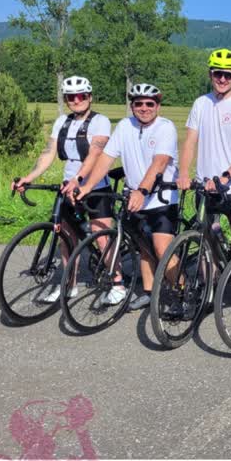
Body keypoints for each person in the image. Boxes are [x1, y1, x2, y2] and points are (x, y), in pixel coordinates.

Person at [75, 83, 179, 311]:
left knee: (162, 249)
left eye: (150, 103)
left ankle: (181, 292)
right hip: (134, 198)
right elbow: (106, 158)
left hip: (161, 198)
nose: (144, 108)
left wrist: (142, 191)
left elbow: (159, 162)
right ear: (132, 106)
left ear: (158, 106)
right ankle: (149, 292)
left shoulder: (165, 127)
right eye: (138, 103)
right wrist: (88, 186)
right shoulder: (124, 126)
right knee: (143, 247)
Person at [11, 76, 113, 303]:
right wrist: (29, 177)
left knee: (102, 238)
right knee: (66, 238)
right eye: (71, 97)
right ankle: (69, 284)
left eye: (81, 96)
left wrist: (78, 179)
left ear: (89, 97)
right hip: (69, 188)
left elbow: (95, 154)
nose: (76, 100)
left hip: (96, 187)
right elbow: (48, 153)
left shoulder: (100, 121)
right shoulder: (62, 122)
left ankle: (118, 283)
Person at [177, 48, 231, 325]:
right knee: (205, 239)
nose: (222, 79)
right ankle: (210, 293)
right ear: (210, 74)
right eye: (217, 74)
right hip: (205, 186)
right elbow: (190, 142)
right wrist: (184, 173)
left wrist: (226, 177)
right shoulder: (200, 104)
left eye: (228, 75)